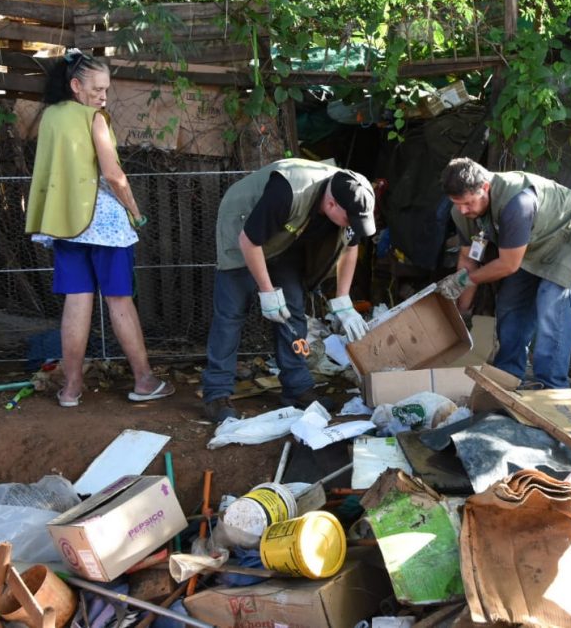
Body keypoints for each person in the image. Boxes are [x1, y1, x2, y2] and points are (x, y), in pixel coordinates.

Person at [25, 49, 175, 408]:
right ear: (76, 86)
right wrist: (135, 212)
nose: (104, 96)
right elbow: (113, 175)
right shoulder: (94, 118)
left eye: (106, 89)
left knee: (76, 301)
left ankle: (71, 388)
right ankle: (144, 380)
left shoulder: (50, 117)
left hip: (66, 223)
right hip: (105, 224)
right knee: (119, 299)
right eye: (97, 89)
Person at [200, 159, 375, 422]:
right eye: (348, 219)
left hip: (287, 237)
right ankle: (217, 393)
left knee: (293, 310)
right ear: (331, 205)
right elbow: (249, 241)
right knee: (231, 312)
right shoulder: (286, 191)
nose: (351, 224)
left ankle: (297, 388)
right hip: (244, 224)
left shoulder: (354, 195)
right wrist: (267, 291)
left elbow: (351, 246)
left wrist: (343, 301)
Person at [436, 158, 571, 389]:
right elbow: (469, 259)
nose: (463, 210)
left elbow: (508, 265)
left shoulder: (517, 204)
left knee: (552, 310)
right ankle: (507, 380)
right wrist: (460, 311)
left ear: (485, 188)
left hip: (566, 234)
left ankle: (551, 387)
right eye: (456, 203)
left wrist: (465, 280)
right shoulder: (461, 211)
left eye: (468, 203)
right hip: (526, 245)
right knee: (511, 306)